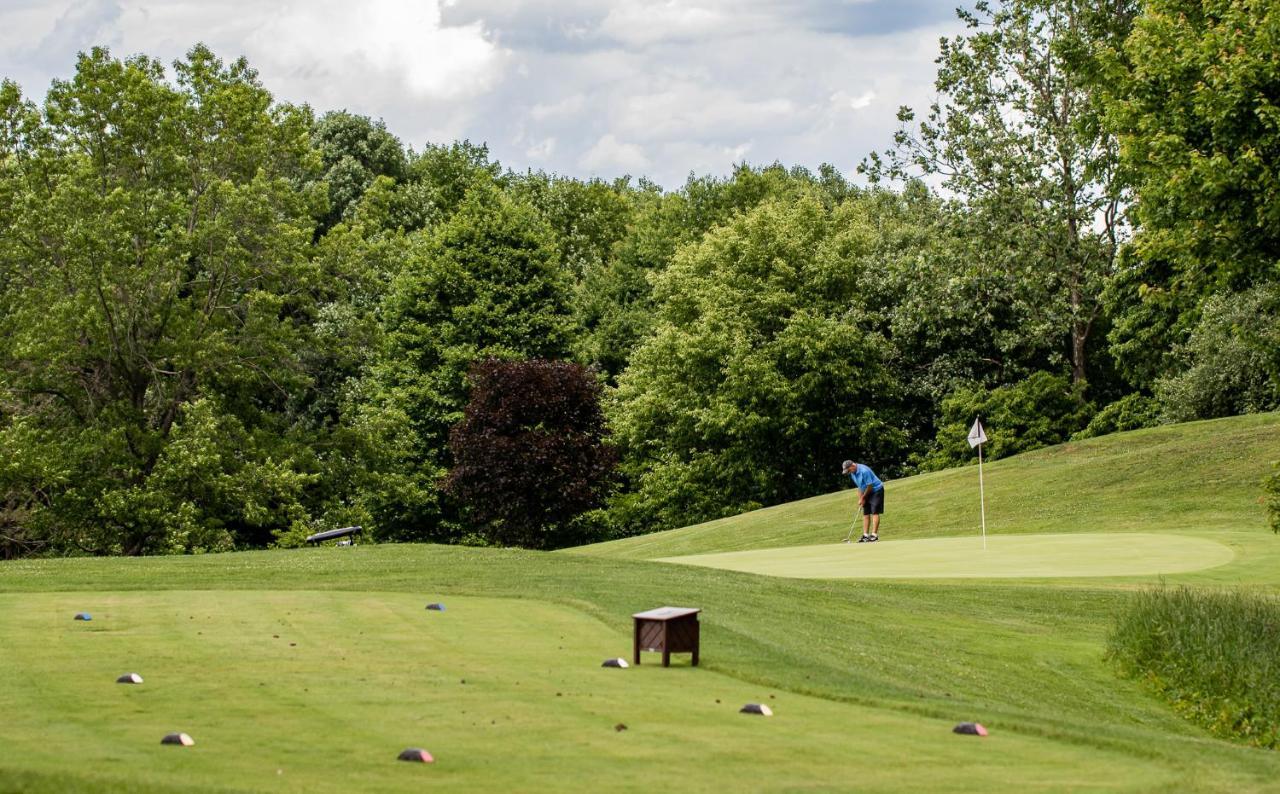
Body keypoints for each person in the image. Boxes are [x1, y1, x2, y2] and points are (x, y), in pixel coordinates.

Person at [841, 459, 884, 542]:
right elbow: (860, 487)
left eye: (849, 470)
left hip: (876, 490)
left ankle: (874, 535)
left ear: (853, 466)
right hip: (866, 491)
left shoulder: (864, 471)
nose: (849, 472)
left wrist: (864, 497)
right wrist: (861, 498)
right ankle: (865, 535)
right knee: (866, 513)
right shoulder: (853, 474)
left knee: (875, 511)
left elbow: (870, 486)